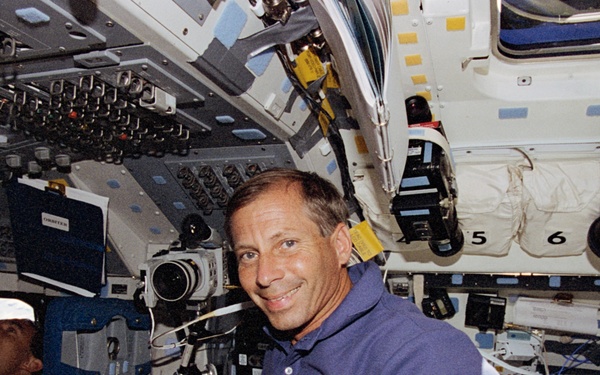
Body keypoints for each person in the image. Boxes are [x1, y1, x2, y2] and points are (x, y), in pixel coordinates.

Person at [224, 168, 499, 374]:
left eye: (287, 244)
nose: (264, 275)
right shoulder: (285, 340)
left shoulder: (425, 353)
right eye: (249, 254)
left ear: (341, 245)